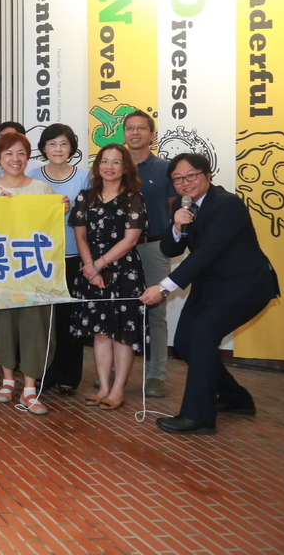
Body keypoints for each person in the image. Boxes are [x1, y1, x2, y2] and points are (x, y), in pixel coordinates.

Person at [141, 154, 280, 435]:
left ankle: (198, 417)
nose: (185, 183)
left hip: (245, 286)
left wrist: (164, 287)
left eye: (191, 175)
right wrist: (177, 227)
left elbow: (206, 254)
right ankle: (236, 398)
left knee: (203, 336)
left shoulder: (227, 204)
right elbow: (171, 250)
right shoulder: (185, 205)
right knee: (185, 343)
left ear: (207, 174)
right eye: (178, 179)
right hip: (211, 286)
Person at [0, 131, 55, 415]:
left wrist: (60, 209)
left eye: (21, 153)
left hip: (35, 269)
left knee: (35, 325)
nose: (15, 159)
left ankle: (31, 387)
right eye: (8, 154)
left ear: (28, 157)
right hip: (1, 269)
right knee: (3, 324)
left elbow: (49, 229)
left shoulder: (43, 190)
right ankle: (8, 379)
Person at [69, 143, 147, 412]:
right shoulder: (85, 197)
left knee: (122, 333)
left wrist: (98, 265)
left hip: (123, 270)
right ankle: (103, 386)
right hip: (91, 270)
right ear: (97, 165)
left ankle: (118, 390)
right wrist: (90, 267)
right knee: (101, 332)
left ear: (125, 167)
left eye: (116, 162)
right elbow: (79, 235)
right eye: (104, 161)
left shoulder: (133, 198)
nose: (109, 167)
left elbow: (131, 240)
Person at [26, 124, 90, 396]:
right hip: (41, 257)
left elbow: (92, 215)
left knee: (70, 318)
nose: (58, 149)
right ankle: (43, 374)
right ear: (43, 148)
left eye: (63, 144)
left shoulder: (84, 178)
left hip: (73, 256)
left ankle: (68, 376)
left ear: (72, 148)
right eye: (52, 144)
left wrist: (73, 209)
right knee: (43, 320)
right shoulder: (31, 176)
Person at [123, 110, 178, 398]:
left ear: (151, 134)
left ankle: (156, 374)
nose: (135, 133)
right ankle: (113, 373)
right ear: (124, 134)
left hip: (154, 246)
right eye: (130, 128)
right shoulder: (113, 166)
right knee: (119, 311)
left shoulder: (165, 169)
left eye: (141, 128)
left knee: (156, 313)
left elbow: (174, 211)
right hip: (119, 249)